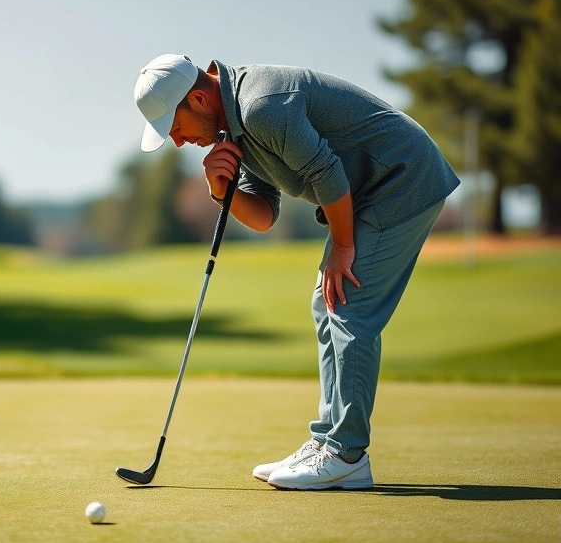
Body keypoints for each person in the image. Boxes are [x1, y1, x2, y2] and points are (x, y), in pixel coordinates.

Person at [133, 54, 459, 490]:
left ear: (198, 98)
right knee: (326, 303)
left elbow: (328, 174)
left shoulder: (261, 106)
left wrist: (343, 245)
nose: (178, 142)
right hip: (368, 191)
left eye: (176, 128)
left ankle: (346, 454)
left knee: (349, 304)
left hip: (402, 176)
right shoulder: (235, 127)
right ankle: (328, 442)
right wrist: (220, 191)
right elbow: (264, 214)